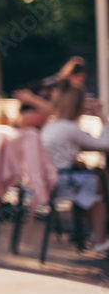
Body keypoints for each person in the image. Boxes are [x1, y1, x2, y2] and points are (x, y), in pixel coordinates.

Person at [39, 84, 109, 252]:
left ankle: (96, 234)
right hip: (60, 181)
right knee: (100, 184)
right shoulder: (70, 128)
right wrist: (102, 117)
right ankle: (100, 240)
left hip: (47, 180)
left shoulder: (52, 125)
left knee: (96, 182)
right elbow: (105, 144)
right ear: (77, 105)